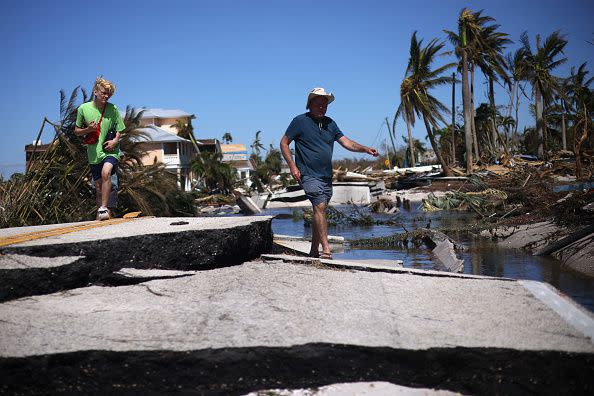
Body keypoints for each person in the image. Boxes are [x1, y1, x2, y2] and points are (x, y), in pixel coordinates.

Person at [280, 87, 379, 259]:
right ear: (310, 104)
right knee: (319, 207)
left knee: (320, 210)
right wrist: (292, 166)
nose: (321, 107)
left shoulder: (330, 123)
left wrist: (365, 149)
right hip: (308, 174)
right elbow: (284, 143)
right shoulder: (299, 121)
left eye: (324, 105)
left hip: (326, 175)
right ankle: (326, 250)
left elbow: (346, 142)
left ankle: (313, 251)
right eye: (318, 104)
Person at [74, 77, 125, 220]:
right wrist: (88, 129)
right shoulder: (83, 109)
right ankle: (101, 213)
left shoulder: (112, 108)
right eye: (104, 93)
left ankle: (103, 208)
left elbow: (120, 129)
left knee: (106, 173)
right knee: (98, 186)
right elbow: (77, 131)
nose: (106, 96)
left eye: (109, 94)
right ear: (95, 92)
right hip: (93, 152)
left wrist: (115, 141)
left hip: (110, 150)